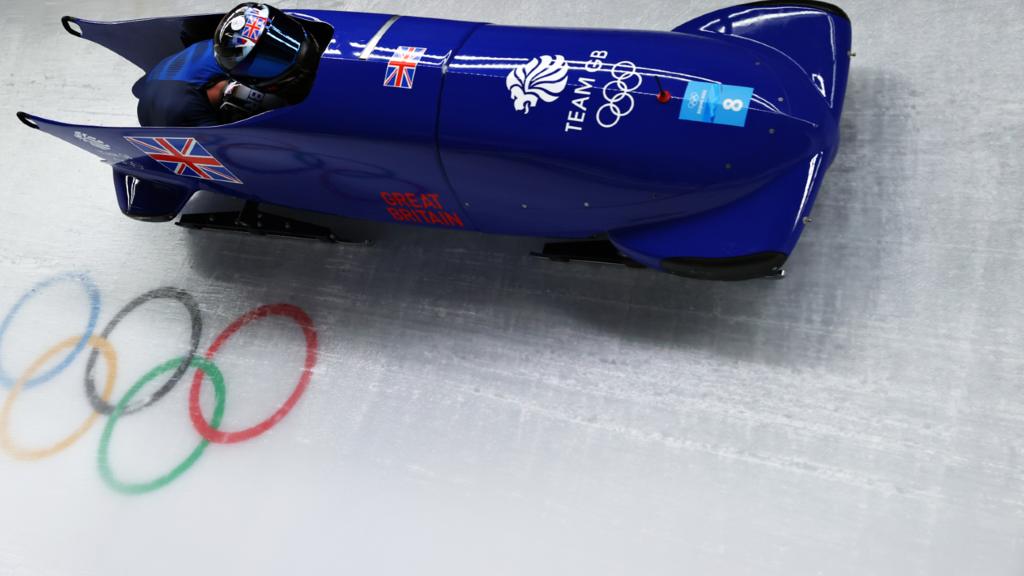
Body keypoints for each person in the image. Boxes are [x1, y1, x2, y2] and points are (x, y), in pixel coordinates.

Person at [134, 3, 321, 127]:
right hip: (174, 111)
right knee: (261, 98)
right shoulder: (185, 109)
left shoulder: (229, 47)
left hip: (161, 83)